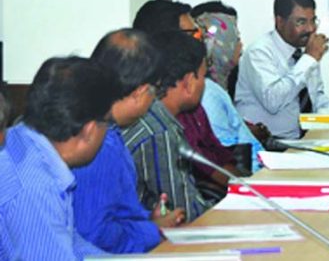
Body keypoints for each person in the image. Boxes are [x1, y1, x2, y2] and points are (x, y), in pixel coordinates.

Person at [72, 29, 185, 253]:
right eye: (155, 91)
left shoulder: (101, 127)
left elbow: (110, 210)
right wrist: (152, 230)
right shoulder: (96, 144)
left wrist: (144, 218)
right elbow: (94, 234)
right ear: (140, 92)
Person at [0, 57, 119, 259]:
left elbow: (72, 246)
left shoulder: (23, 139)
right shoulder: (34, 188)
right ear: (89, 130)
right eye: (108, 122)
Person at [133, 0, 243, 196]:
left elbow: (219, 156)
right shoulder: (158, 108)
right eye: (194, 33)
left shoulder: (193, 101)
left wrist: (250, 186)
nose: (200, 39)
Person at [236, 0, 329, 139]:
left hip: (304, 141)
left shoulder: (305, 53)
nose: (310, 29)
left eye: (313, 21)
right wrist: (309, 59)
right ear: (280, 22)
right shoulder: (259, 52)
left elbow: (316, 101)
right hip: (268, 143)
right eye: (301, 22)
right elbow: (273, 101)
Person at [121, 30, 211, 222]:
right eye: (203, 76)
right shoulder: (159, 132)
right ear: (188, 82)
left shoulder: (151, 116)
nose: (205, 84)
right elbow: (186, 212)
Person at [192, 1, 265, 172]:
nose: (241, 46)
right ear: (220, 44)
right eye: (235, 38)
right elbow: (226, 159)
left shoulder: (224, 83)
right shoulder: (207, 93)